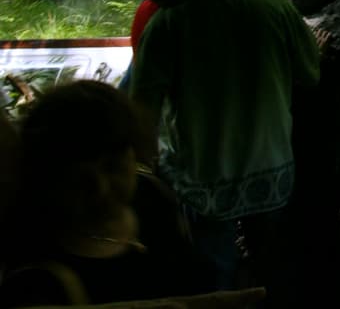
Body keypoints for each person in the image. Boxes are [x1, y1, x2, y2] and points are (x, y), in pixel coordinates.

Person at [129, 0, 320, 305]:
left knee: (214, 272)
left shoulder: (169, 24)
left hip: (202, 174)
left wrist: (146, 167)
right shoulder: (275, 9)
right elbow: (309, 76)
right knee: (271, 264)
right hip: (271, 164)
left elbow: (143, 105)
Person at [0, 81, 213, 307]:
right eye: (81, 179)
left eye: (113, 167)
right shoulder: (39, 278)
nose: (102, 187)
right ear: (49, 178)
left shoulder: (152, 197)